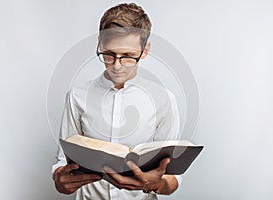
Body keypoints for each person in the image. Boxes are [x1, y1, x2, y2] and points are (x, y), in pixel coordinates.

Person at [52, 3, 181, 200]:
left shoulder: (164, 100)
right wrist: (60, 180)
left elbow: (172, 177)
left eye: (128, 56)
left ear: (144, 50)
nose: (117, 66)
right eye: (109, 55)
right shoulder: (77, 95)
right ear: (100, 44)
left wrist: (158, 183)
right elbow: (63, 162)